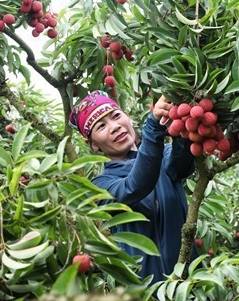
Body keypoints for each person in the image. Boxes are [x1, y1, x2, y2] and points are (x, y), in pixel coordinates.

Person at [69, 90, 196, 283]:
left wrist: (180, 119)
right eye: (101, 126)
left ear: (127, 117)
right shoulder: (99, 186)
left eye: (116, 116)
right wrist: (153, 127)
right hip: (147, 296)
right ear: (93, 145)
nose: (114, 127)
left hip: (191, 285)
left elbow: (182, 164)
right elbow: (135, 186)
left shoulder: (164, 155)